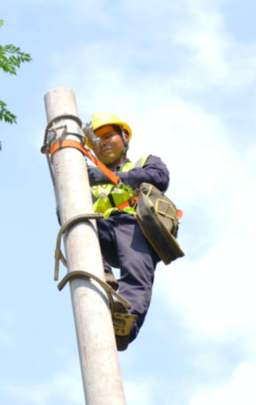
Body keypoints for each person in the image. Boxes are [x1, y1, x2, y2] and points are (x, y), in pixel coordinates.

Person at [84, 112, 170, 351]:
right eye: (97, 140)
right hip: (103, 231)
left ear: (124, 138)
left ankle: (123, 327)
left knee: (136, 276)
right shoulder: (83, 178)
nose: (102, 142)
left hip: (137, 228)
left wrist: (105, 176)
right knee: (80, 225)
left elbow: (159, 178)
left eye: (108, 136)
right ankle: (103, 274)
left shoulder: (145, 162)